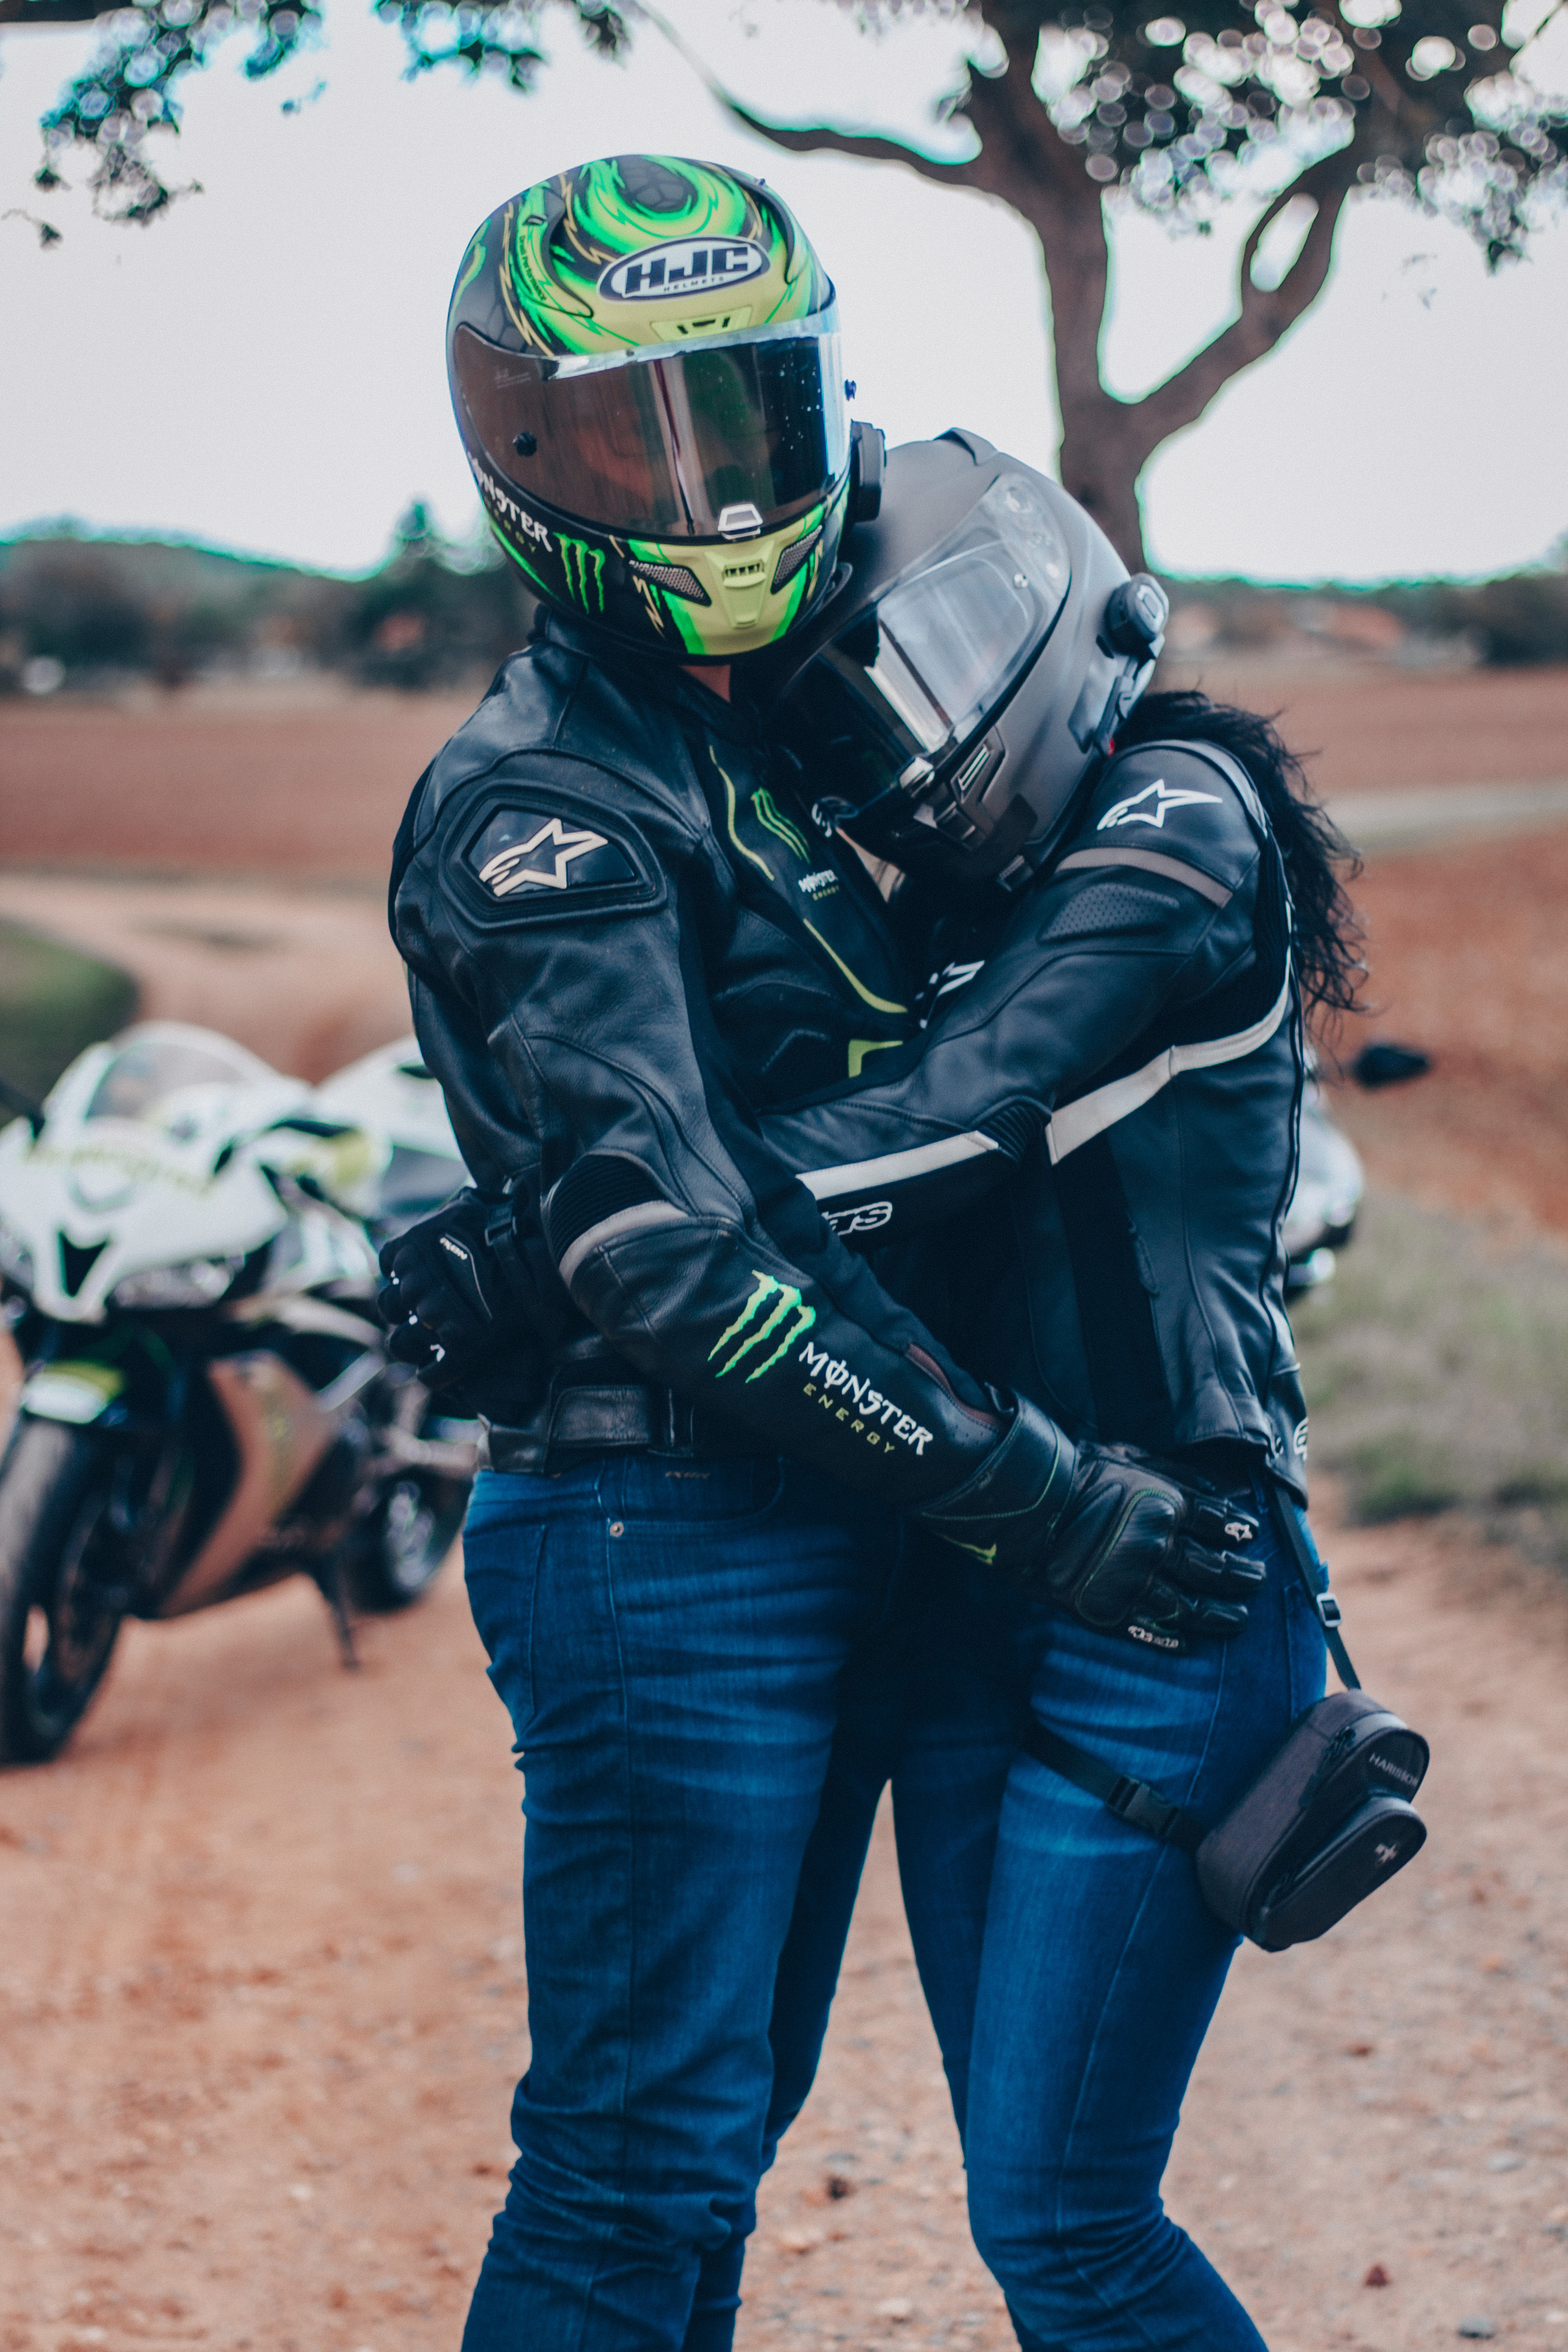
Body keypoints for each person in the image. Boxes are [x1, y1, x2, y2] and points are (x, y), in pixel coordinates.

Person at [383, 159, 1251, 2352]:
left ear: (828, 398)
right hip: (663, 1529)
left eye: (743, 417)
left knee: (712, 2141)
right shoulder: (545, 801)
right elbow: (684, 1255)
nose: (698, 487)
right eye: (625, 441)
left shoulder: (793, 738)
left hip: (836, 1506)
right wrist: (1047, 1503)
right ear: (519, 464)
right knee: (638, 2158)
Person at [733, 429, 1365, 2348]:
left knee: (1068, 2225)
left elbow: (961, 1109)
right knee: (1036, 2221)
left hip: (1167, 1578)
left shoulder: (1182, 805)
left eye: (924, 665)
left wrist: (604, 1223)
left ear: (1053, 584)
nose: (901, 742)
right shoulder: (946, 885)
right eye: (856, 708)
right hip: (971, 1570)